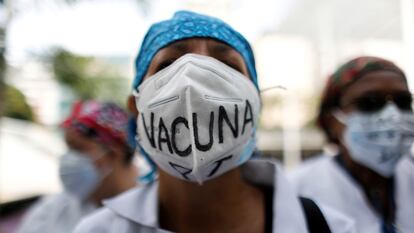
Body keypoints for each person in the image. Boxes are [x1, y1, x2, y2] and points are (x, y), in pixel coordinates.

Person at [73, 10, 355, 233]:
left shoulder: (329, 227)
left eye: (227, 66)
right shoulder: (97, 229)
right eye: (169, 65)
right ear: (137, 107)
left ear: (255, 104)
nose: (195, 82)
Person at [288, 56, 414, 232]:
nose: (393, 115)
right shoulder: (297, 190)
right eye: (370, 102)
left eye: (403, 102)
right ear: (332, 120)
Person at [16, 100, 138, 233]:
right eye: (69, 147)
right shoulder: (53, 210)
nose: (69, 158)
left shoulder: (152, 211)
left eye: (78, 148)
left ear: (115, 152)